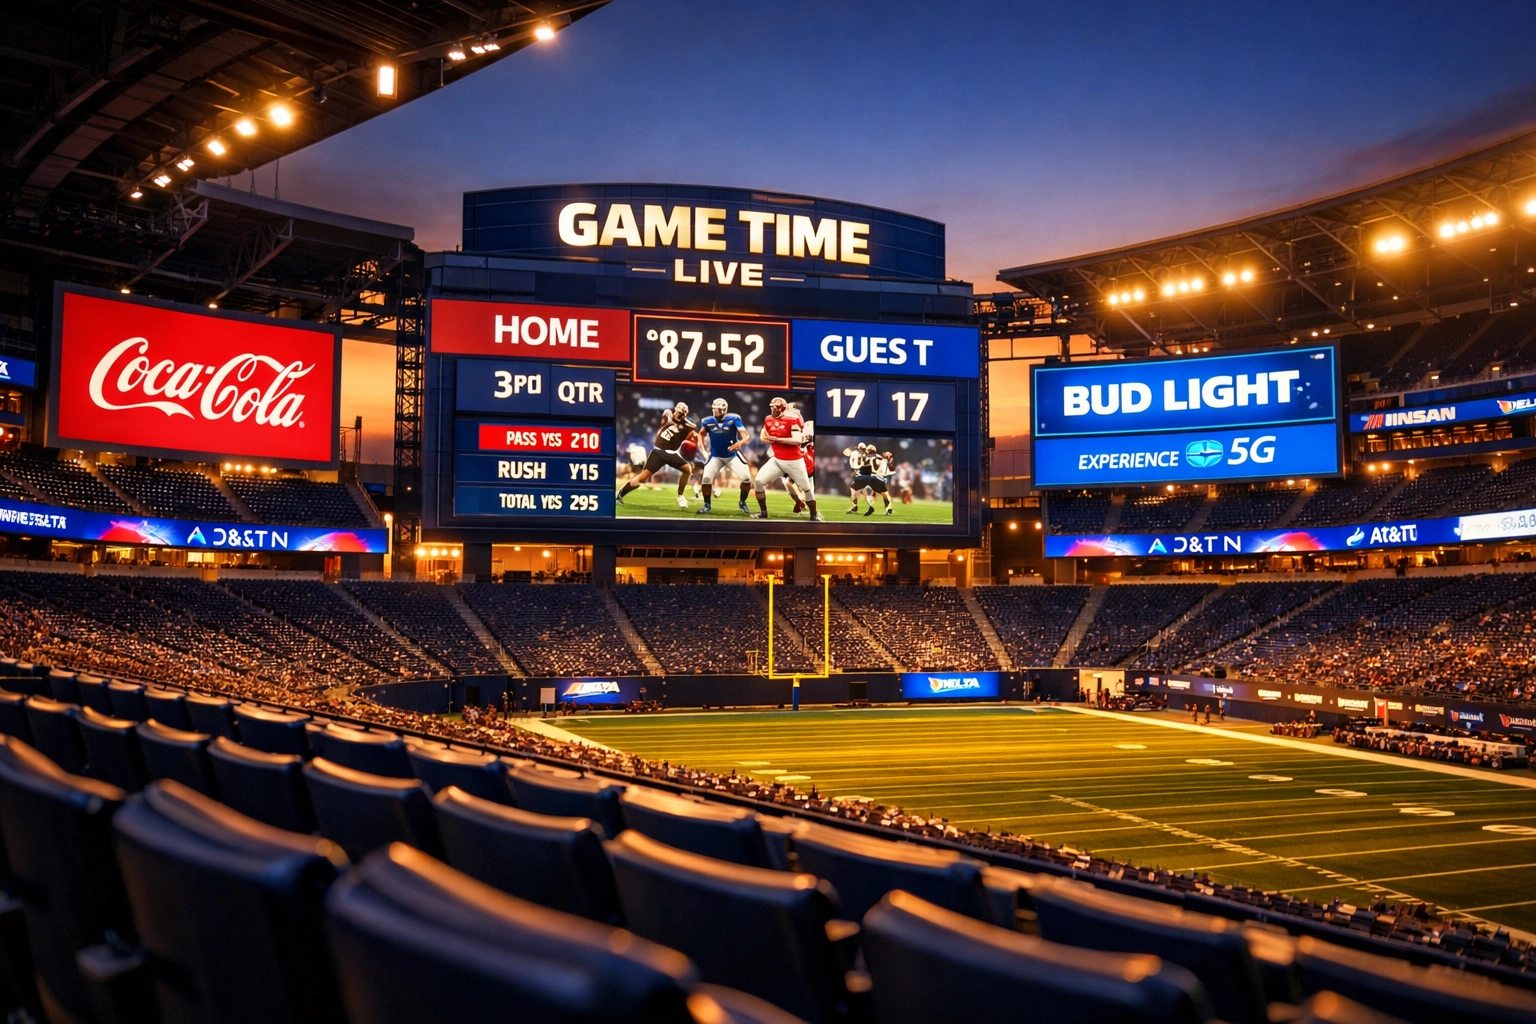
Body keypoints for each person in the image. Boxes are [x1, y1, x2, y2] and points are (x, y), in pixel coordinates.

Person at [751, 397, 823, 521]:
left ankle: (814, 514)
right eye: (772, 406)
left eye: (776, 407)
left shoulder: (792, 419)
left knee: (806, 488)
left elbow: (797, 440)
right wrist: (766, 437)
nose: (773, 409)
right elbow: (763, 434)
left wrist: (776, 439)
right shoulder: (768, 419)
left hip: (794, 460)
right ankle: (763, 512)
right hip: (777, 459)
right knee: (758, 482)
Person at [616, 401, 696, 508]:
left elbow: (693, 428)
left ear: (684, 415)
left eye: (681, 413)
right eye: (677, 411)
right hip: (658, 452)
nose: (678, 414)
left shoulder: (687, 425)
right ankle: (620, 494)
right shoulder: (668, 415)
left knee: (687, 470)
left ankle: (680, 496)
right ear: (675, 410)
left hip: (671, 453)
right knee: (643, 478)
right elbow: (666, 419)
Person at [694, 397, 754, 514]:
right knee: (706, 479)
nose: (715, 412)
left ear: (724, 410)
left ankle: (742, 501)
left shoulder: (734, 419)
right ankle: (707, 505)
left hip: (732, 455)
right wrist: (703, 449)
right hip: (716, 455)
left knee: (746, 479)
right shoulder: (707, 421)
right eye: (714, 409)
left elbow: (746, 436)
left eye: (718, 409)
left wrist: (739, 443)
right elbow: (700, 434)